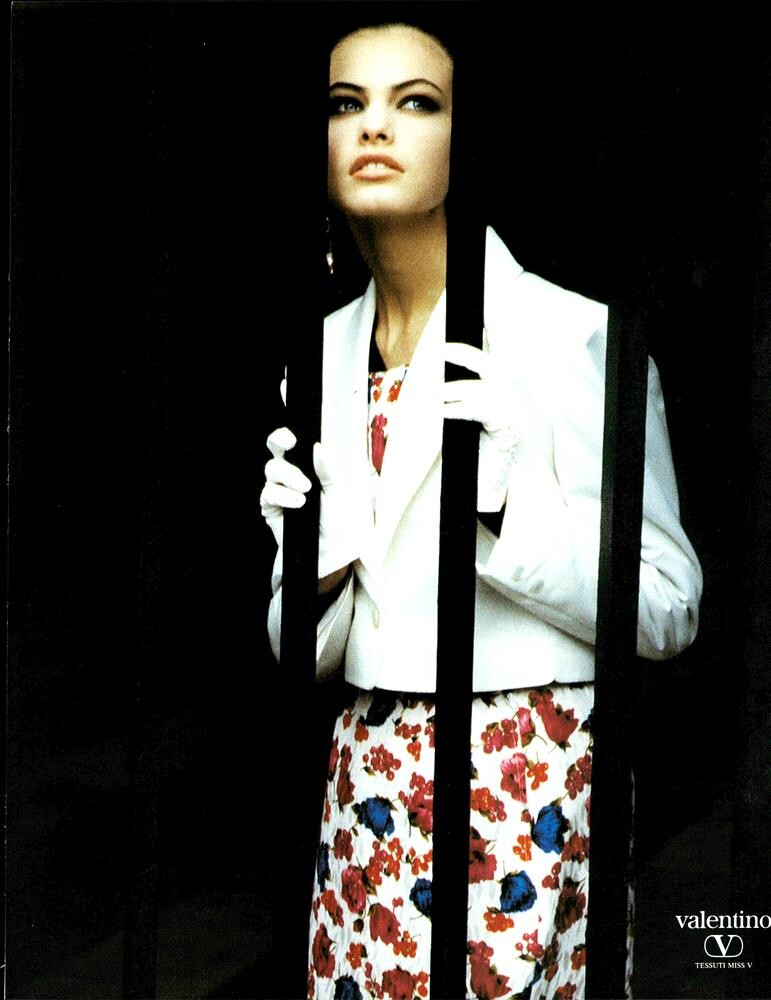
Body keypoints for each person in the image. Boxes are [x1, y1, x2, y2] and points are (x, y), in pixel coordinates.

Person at [260, 19, 702, 1000]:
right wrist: (314, 561)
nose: (374, 127)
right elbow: (303, 647)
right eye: (346, 103)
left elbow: (670, 606)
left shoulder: (569, 334)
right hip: (366, 777)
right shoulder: (320, 355)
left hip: (523, 774)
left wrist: (507, 507)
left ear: (466, 137)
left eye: (415, 102)